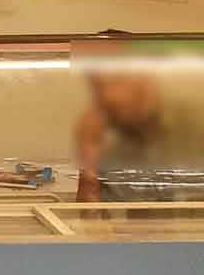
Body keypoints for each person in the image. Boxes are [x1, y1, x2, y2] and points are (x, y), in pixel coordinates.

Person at [75, 62, 204, 201]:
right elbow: (90, 216)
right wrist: (88, 158)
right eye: (100, 90)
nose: (110, 97)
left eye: (117, 83)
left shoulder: (190, 125)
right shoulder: (114, 152)